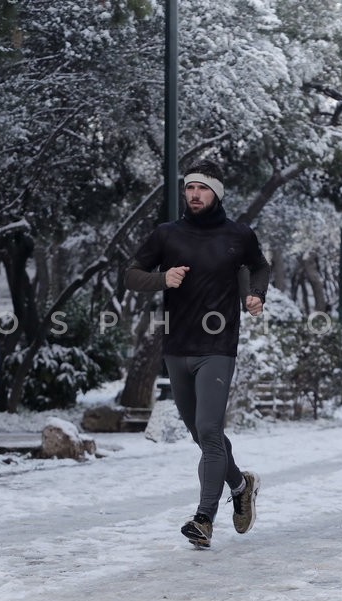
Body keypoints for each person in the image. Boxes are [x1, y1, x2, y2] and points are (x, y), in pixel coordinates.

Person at [124, 159, 270, 548]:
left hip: (218, 346)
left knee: (208, 429)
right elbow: (131, 273)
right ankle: (240, 485)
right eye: (189, 188)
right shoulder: (167, 235)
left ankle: (203, 519)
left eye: (202, 188)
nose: (194, 194)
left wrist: (256, 294)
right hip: (177, 345)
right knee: (200, 433)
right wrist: (161, 279)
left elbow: (260, 267)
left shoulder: (238, 235)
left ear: (216, 192)